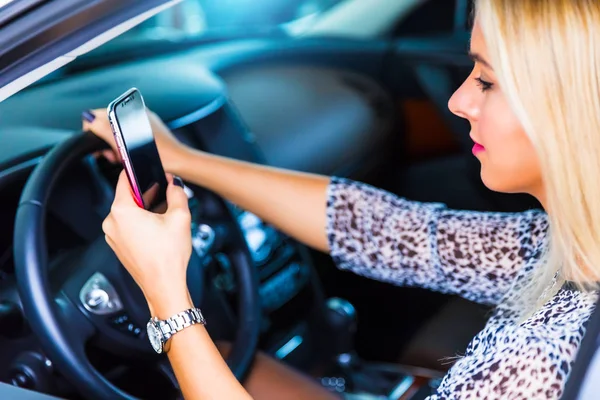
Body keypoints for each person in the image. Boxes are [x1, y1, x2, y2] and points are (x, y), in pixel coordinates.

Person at [83, 0, 600, 398]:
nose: (458, 100)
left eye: (486, 81)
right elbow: (391, 231)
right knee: (229, 357)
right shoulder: (567, 247)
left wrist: (166, 295)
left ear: (569, 111)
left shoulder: (539, 367)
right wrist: (188, 161)